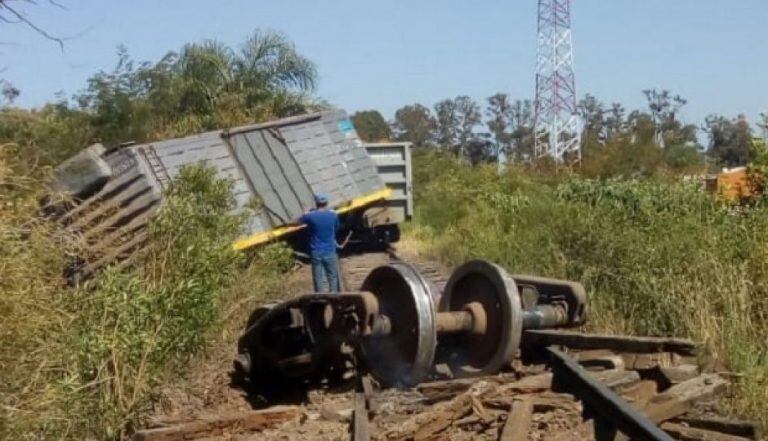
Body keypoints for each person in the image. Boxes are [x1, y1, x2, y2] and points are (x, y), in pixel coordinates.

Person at [296, 193, 341, 292]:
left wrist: (305, 212)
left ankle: (320, 296)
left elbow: (298, 221)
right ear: (327, 203)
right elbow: (337, 227)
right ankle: (334, 294)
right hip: (330, 250)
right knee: (332, 276)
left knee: (318, 277)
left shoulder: (310, 216)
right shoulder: (333, 215)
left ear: (316, 203)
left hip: (316, 251)